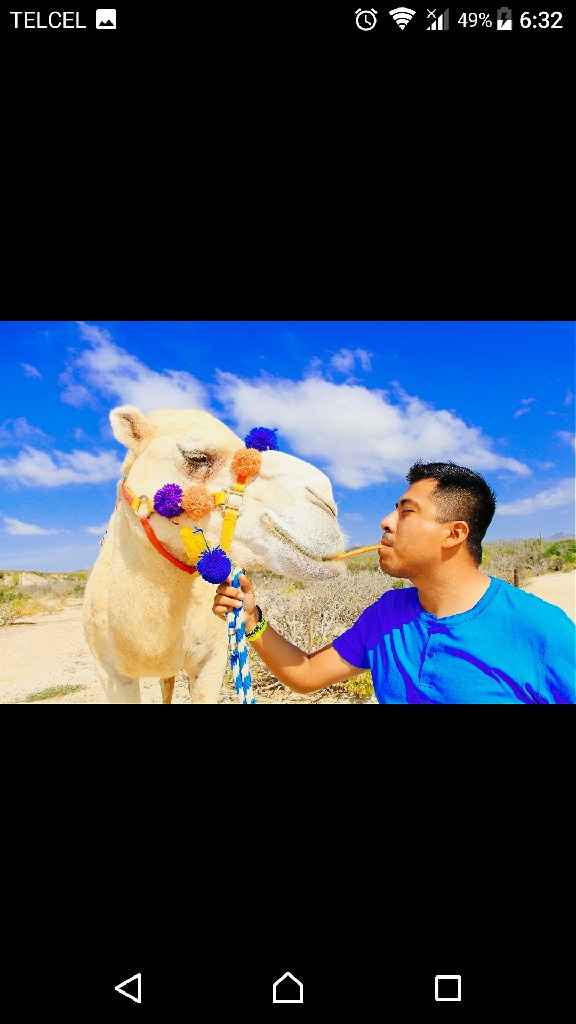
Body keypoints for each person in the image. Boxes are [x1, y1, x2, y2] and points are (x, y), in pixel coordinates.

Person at [212, 461, 576, 704]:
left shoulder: (542, 630)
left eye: (406, 512)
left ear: (454, 534)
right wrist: (251, 620)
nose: (386, 522)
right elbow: (306, 673)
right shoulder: (386, 616)